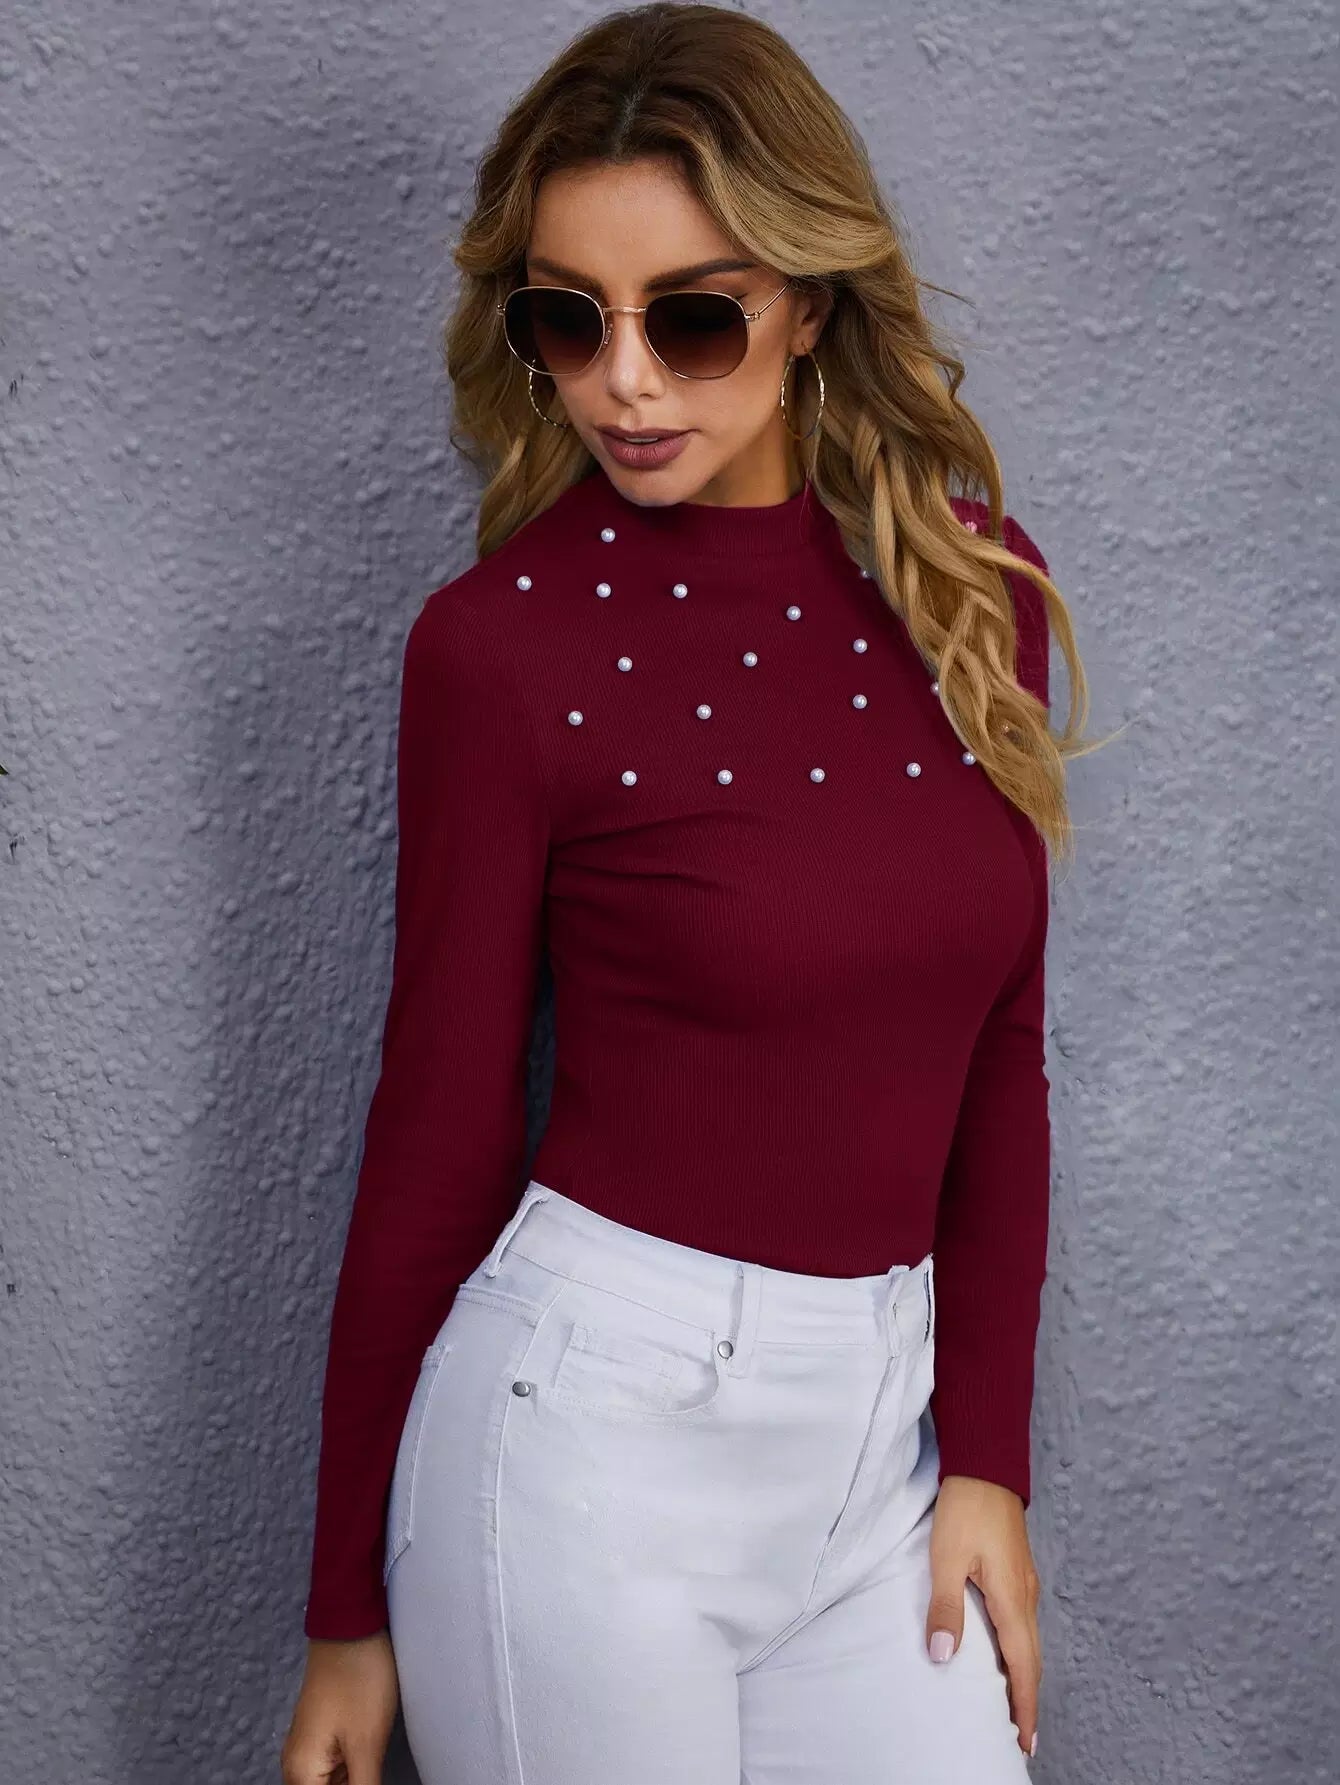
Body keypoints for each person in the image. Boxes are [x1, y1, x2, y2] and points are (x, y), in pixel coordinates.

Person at [281, 5, 1104, 1782]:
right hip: (587, 1456)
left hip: (881, 1470)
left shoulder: (975, 593)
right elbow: (436, 1132)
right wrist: (346, 1609)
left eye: (693, 316)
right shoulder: (503, 652)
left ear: (808, 300)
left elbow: (1002, 1051)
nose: (627, 382)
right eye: (569, 319)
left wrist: (989, 1457)